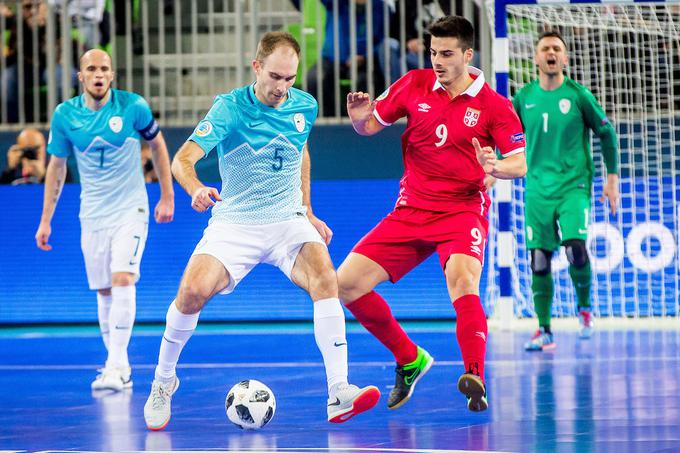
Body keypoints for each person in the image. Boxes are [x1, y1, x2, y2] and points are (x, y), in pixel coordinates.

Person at [143, 31, 380, 431]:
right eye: (275, 77)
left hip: (287, 220)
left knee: (326, 276)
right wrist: (196, 188)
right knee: (191, 293)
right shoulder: (229, 109)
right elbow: (183, 159)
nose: (282, 87)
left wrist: (306, 210)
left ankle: (339, 392)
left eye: (289, 78)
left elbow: (300, 151)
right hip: (235, 223)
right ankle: (163, 381)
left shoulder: (304, 105)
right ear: (257, 67)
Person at [337, 15, 527, 413]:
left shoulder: (494, 105)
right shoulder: (414, 83)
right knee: (345, 285)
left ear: (468, 54)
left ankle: (475, 376)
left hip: (461, 210)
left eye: (446, 53)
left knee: (462, 282)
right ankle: (410, 359)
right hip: (411, 209)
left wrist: (494, 168)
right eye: (433, 52)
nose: (437, 61)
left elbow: (519, 163)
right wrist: (358, 119)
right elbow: (371, 126)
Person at [35, 48, 175, 391]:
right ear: (80, 76)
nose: (98, 74)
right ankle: (118, 365)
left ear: (112, 75)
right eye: (91, 69)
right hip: (93, 213)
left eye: (105, 69)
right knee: (103, 290)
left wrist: (167, 195)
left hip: (131, 209)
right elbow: (56, 166)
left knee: (124, 278)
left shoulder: (132, 107)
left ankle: (115, 365)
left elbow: (157, 145)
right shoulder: (65, 115)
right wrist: (45, 220)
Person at [511, 30, 619, 351]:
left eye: (557, 48)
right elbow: (504, 134)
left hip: (574, 186)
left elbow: (607, 134)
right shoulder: (523, 98)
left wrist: (611, 178)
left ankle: (584, 310)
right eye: (545, 48)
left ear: (565, 58)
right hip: (537, 190)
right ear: (536, 58)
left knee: (575, 248)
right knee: (539, 261)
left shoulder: (578, 95)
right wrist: (494, 166)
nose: (551, 53)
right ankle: (544, 330)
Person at [306, 0, 385, 117]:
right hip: (332, 58)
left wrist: (364, 56)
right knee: (315, 78)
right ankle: (330, 120)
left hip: (366, 61)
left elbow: (382, 38)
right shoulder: (337, 3)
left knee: (365, 81)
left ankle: (364, 119)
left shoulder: (379, 6)